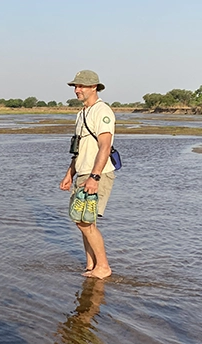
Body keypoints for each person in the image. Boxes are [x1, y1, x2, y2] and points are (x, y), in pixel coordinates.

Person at [59, 70, 116, 279]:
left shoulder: (103, 111)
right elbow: (79, 149)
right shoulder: (82, 113)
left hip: (96, 174)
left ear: (94, 87)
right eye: (76, 86)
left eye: (81, 86)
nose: (77, 90)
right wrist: (69, 174)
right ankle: (91, 264)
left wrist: (95, 177)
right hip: (83, 172)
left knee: (84, 222)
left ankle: (103, 266)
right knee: (84, 220)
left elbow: (105, 146)